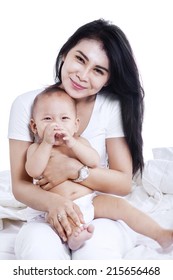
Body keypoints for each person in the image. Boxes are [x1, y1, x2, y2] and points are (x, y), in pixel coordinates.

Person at [8, 18, 146, 259]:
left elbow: (123, 183)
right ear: (64, 54)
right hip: (44, 213)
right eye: (80, 59)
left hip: (99, 212)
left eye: (98, 70)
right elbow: (20, 185)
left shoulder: (110, 107)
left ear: (108, 79)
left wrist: (73, 169)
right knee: (40, 254)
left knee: (95, 256)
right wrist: (53, 204)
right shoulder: (27, 104)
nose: (83, 75)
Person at [25, 85, 173, 251]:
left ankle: (161, 234)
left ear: (76, 125)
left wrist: (73, 144)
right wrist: (46, 143)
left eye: (64, 118)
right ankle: (74, 239)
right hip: (58, 206)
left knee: (120, 206)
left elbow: (94, 161)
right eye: (47, 119)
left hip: (89, 200)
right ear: (34, 126)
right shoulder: (36, 149)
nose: (56, 125)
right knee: (68, 218)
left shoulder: (79, 142)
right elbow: (33, 170)